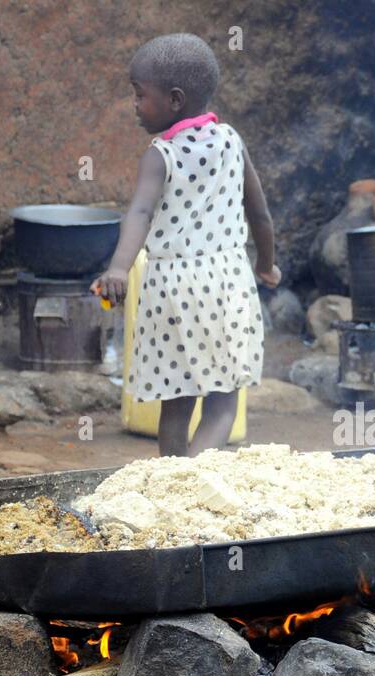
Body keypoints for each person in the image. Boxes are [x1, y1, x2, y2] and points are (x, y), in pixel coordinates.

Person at [92, 33, 280, 457]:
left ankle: (173, 478)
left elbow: (138, 213)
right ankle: (194, 480)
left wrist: (120, 268)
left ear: (174, 100)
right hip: (227, 285)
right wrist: (266, 266)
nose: (135, 105)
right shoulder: (232, 141)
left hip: (171, 289)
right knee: (222, 401)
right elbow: (261, 215)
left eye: (140, 96)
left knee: (176, 402)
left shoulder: (160, 155)